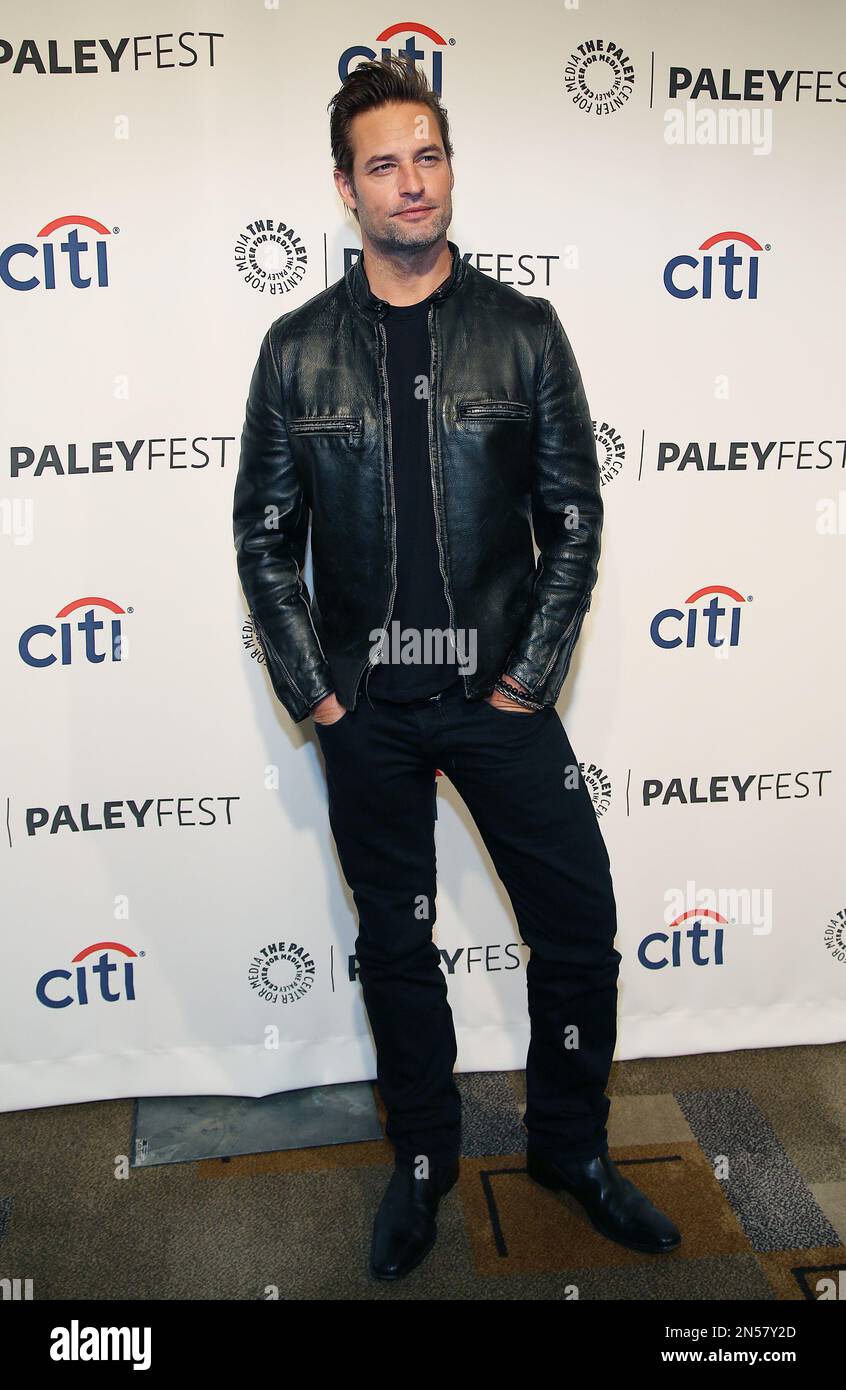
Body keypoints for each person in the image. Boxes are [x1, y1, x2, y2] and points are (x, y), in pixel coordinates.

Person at [233, 56, 680, 1279]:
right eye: (383, 162)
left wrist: (529, 678)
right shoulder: (295, 351)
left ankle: (571, 1152)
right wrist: (317, 695)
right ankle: (424, 1164)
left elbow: (573, 518)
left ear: (449, 169)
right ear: (346, 188)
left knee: (578, 931)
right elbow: (262, 537)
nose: (410, 181)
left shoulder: (524, 332)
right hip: (368, 707)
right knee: (398, 948)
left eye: (427, 155)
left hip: (500, 697)